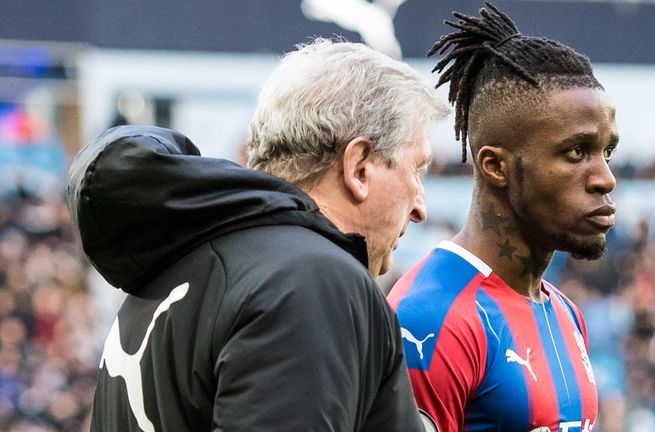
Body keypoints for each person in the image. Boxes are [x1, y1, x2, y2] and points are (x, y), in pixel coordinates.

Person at [67, 38, 449, 431]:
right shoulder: (312, 279)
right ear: (359, 167)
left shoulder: (174, 268)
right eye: (416, 169)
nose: (420, 207)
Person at [388, 3, 619, 432]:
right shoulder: (430, 318)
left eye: (606, 152)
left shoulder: (565, 313)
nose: (605, 179)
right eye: (576, 152)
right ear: (496, 166)